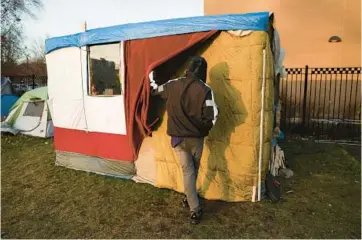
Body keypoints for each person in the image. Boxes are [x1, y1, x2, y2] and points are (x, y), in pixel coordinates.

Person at [149, 56, 218, 224]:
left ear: (188, 68)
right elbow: (211, 117)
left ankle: (190, 197)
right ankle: (195, 209)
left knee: (189, 171)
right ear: (203, 71)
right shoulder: (205, 90)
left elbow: (155, 91)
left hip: (178, 139)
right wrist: (203, 130)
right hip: (196, 139)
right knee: (191, 170)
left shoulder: (173, 84)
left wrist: (150, 74)